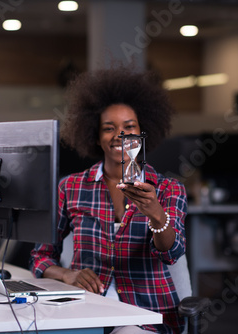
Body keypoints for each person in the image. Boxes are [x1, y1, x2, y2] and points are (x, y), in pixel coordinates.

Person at [30, 66, 187, 334]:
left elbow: (171, 253)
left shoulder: (168, 189)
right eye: (108, 128)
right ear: (95, 135)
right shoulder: (71, 187)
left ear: (142, 132)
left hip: (146, 315)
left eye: (129, 127)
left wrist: (156, 214)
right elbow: (40, 257)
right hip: (84, 310)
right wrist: (68, 274)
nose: (120, 135)